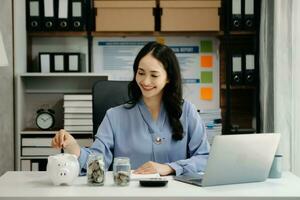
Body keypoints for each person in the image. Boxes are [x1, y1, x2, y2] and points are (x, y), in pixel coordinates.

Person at [52, 41, 210, 176]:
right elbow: (97, 164)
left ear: (168, 78)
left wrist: (169, 168)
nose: (145, 81)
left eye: (154, 75)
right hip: (129, 193)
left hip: (177, 196)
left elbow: (205, 158)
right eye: (141, 73)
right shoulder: (114, 116)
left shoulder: (187, 112)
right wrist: (74, 149)